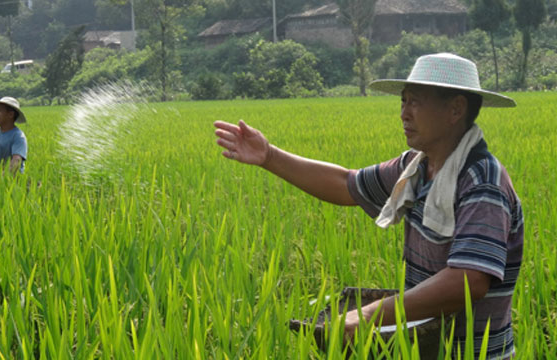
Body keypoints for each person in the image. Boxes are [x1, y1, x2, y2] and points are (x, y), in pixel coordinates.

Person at [214, 53, 523, 359]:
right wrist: (269, 156)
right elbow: (347, 184)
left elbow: (469, 280)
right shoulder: (417, 168)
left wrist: (369, 314)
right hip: (428, 348)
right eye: (403, 101)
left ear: (455, 109)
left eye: (415, 101)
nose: (404, 113)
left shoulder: (481, 182)